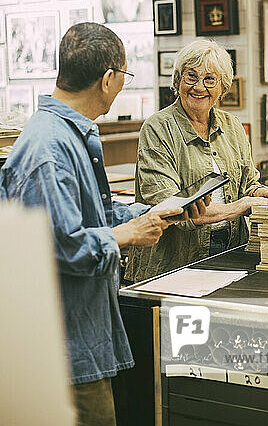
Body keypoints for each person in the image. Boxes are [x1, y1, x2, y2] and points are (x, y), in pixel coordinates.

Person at [0, 22, 208, 426]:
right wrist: (128, 234)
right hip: (66, 350)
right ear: (108, 79)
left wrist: (150, 214)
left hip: (88, 337)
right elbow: (59, 248)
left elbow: (95, 213)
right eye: (124, 77)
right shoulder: (49, 149)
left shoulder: (70, 136)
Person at [125, 39, 268, 283]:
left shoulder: (232, 126)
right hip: (173, 262)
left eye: (210, 79)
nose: (199, 87)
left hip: (232, 251)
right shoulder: (158, 128)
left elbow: (247, 184)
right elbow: (171, 209)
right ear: (178, 80)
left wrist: (261, 192)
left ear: (222, 87)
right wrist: (241, 205)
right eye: (190, 77)